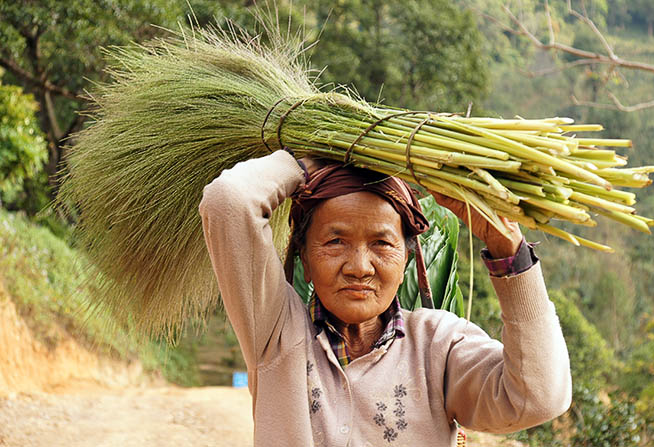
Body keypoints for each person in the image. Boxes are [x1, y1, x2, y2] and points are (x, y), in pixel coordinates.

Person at [199, 150, 571, 447]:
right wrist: (306, 163)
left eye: (381, 243)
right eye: (335, 241)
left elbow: (538, 399)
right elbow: (227, 201)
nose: (359, 267)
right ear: (305, 259)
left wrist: (507, 248)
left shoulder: (438, 345)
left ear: (406, 260)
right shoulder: (276, 334)